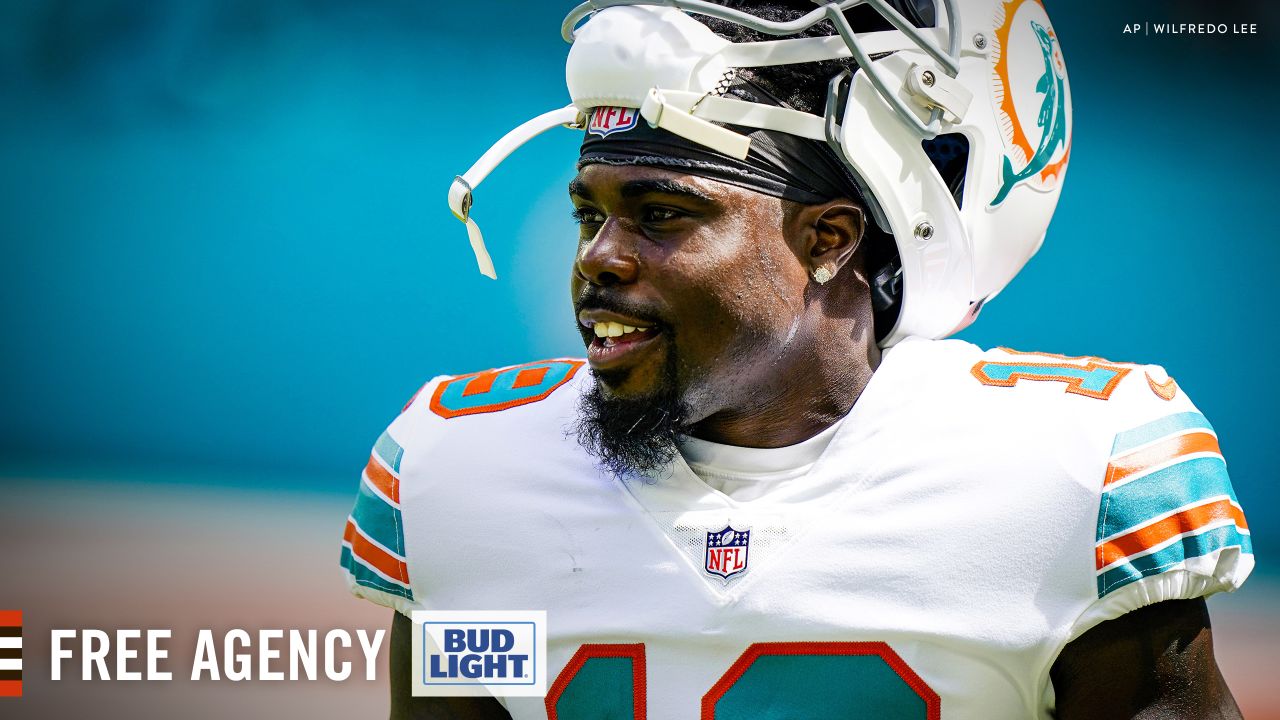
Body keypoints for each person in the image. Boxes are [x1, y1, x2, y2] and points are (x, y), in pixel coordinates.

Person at [340, 1, 1254, 717]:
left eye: (662, 214)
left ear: (828, 239)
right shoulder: (460, 477)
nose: (598, 257)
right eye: (591, 213)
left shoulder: (1072, 475)